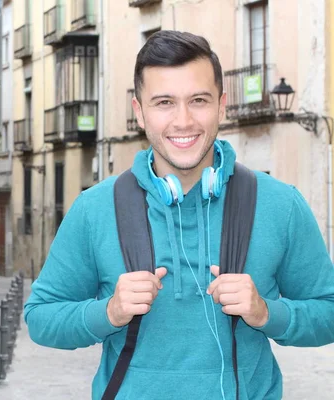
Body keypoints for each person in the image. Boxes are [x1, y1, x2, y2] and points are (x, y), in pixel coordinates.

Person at [23, 30, 334, 400]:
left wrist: (268, 313)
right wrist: (107, 312)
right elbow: (41, 318)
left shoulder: (281, 205)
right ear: (140, 112)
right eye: (164, 102)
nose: (183, 120)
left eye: (198, 100)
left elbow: (327, 313)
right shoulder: (94, 208)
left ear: (221, 106)